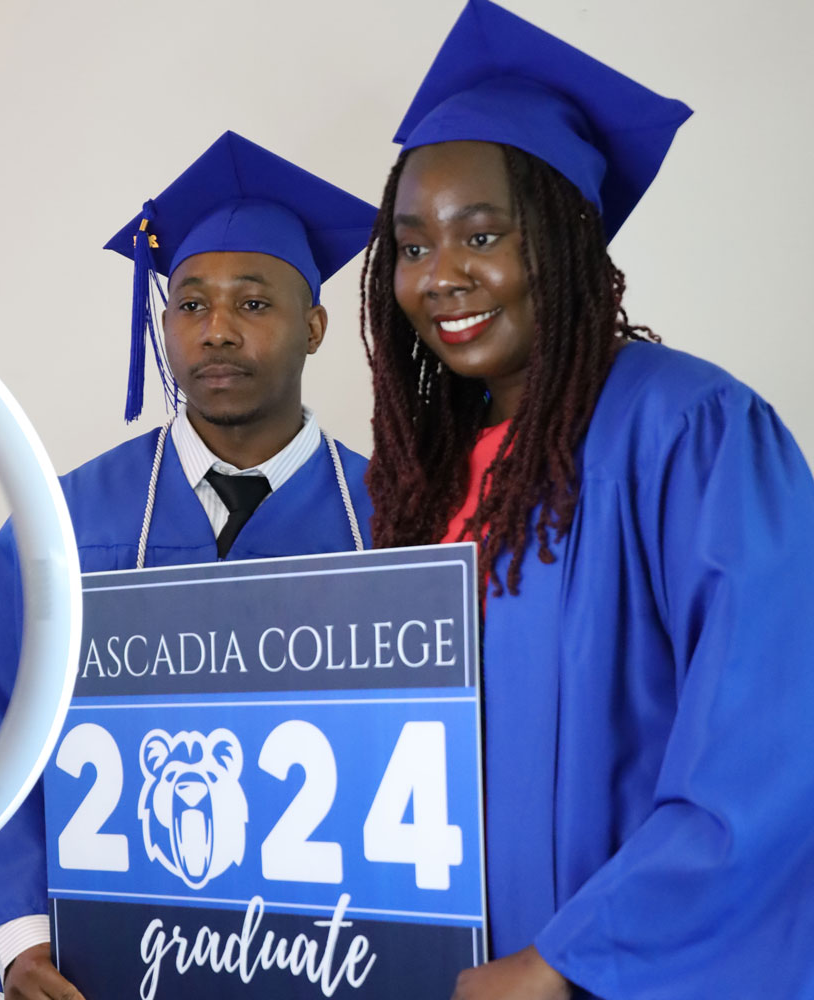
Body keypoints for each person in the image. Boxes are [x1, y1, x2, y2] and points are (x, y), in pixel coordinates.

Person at [360, 2, 814, 998]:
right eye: (411, 246)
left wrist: (567, 960)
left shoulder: (689, 431)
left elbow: (773, 740)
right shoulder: (410, 479)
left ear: (567, 239)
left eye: (482, 234)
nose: (441, 276)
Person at [0, 130, 377, 997]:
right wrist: (23, 941)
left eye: (254, 303)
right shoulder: (61, 526)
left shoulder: (401, 520)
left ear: (314, 326)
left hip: (345, 960)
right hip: (116, 967)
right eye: (190, 303)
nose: (216, 331)